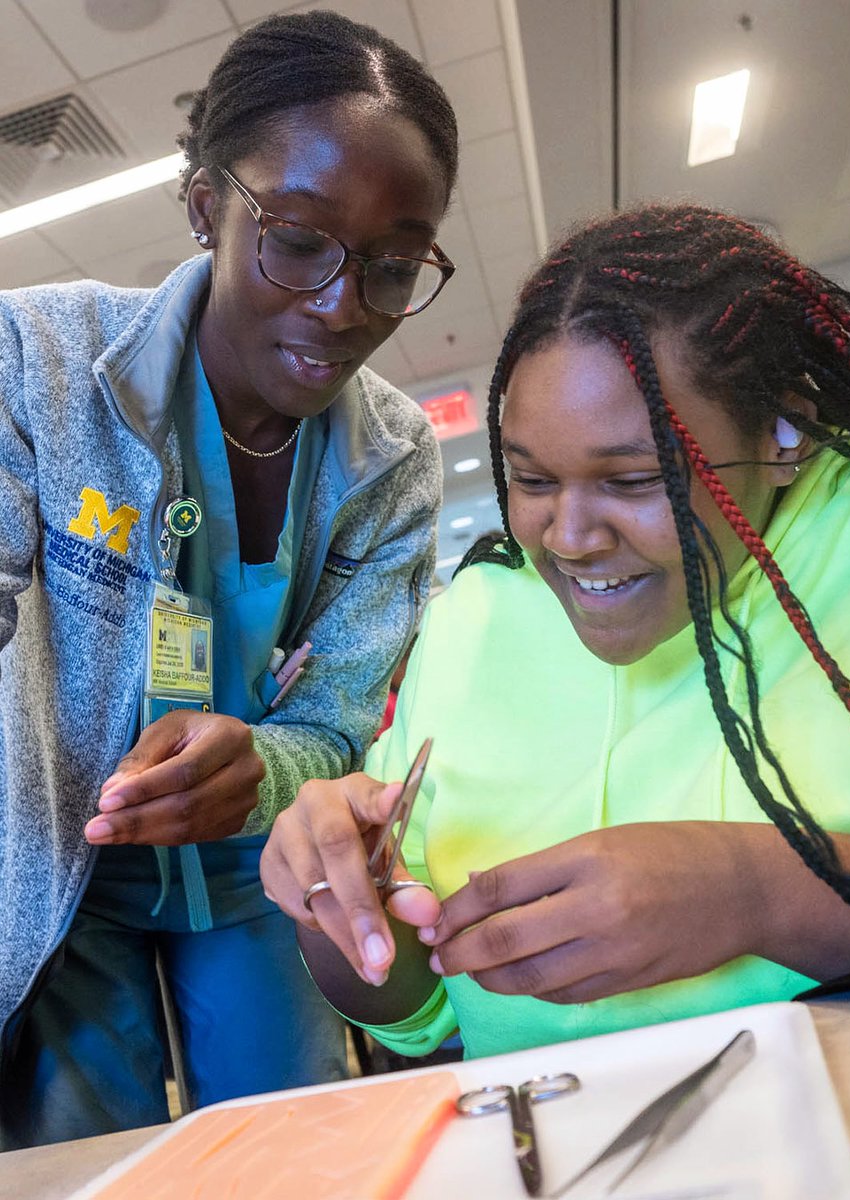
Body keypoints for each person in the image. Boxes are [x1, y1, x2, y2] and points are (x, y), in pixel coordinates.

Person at [260, 203, 850, 1062]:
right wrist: (338, 906)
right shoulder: (474, 617)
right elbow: (419, 1013)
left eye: (635, 479)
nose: (570, 536)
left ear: (783, 433)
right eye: (532, 480)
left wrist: (762, 890)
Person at [0, 10, 458, 1146]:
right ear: (206, 204)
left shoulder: (393, 462)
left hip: (266, 875)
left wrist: (263, 766)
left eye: (394, 266)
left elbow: (339, 717)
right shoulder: (41, 364)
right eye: (296, 240)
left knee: (296, 1146)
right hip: (66, 868)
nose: (342, 306)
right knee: (85, 1154)